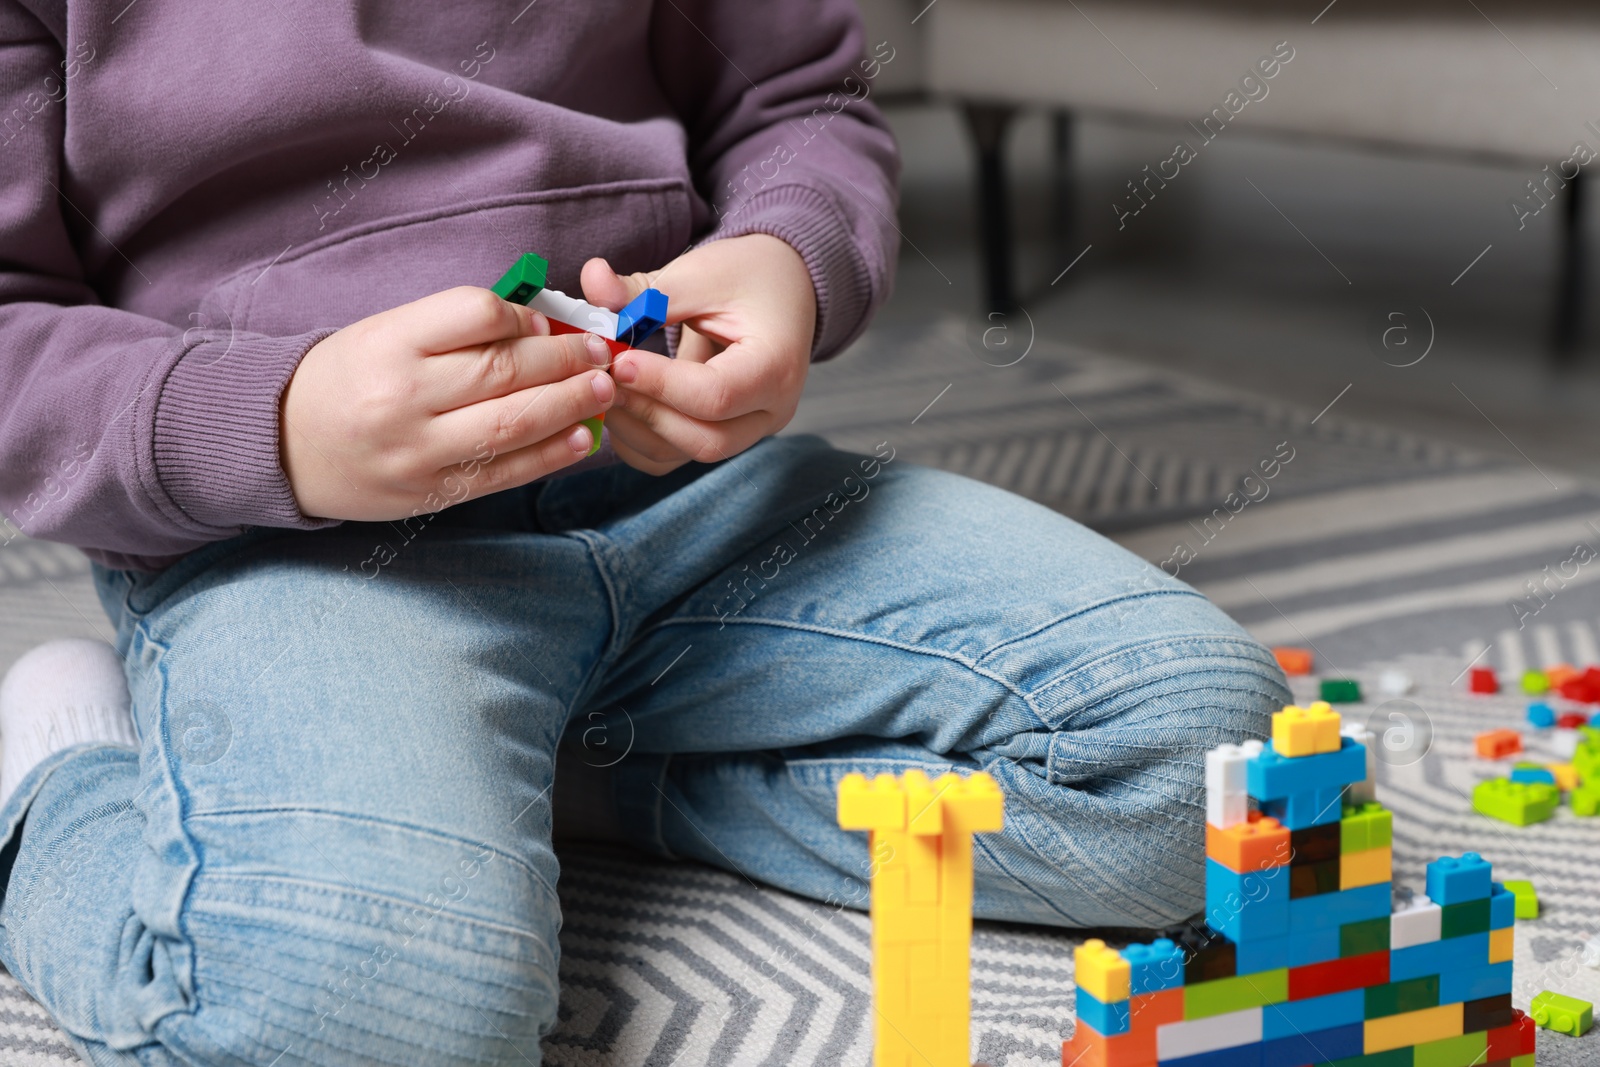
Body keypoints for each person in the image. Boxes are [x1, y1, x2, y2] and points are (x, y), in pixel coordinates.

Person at [0, 1, 1289, 1063]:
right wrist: (274, 422)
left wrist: (788, 258)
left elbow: (801, 106)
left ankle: (554, 765)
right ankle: (59, 775)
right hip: (301, 545)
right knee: (368, 1016)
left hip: (678, 492)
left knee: (1210, 769)